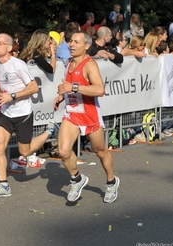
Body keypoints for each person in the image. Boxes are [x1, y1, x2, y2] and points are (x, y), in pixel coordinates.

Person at [0, 33, 59, 198]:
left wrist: (12, 96)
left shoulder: (18, 65)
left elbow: (33, 88)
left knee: (24, 152)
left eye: (0, 43)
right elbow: (5, 90)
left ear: (9, 48)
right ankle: (3, 185)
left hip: (23, 113)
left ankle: (49, 132)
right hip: (6, 113)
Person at [53, 30, 119, 203]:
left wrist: (73, 88)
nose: (71, 44)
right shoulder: (68, 63)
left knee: (100, 152)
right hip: (72, 114)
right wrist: (62, 96)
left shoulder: (90, 65)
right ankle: (76, 179)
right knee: (63, 151)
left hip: (90, 116)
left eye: (76, 42)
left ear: (87, 46)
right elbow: (68, 87)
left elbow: (99, 90)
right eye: (70, 41)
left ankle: (111, 181)